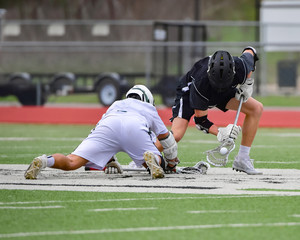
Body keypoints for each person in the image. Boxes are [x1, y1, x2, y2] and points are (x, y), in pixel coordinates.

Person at [24, 85, 179, 180]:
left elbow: (102, 132)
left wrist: (109, 160)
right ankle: (153, 160)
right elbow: (166, 139)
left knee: (72, 161)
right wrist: (171, 162)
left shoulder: (115, 104)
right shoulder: (148, 108)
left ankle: (44, 160)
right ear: (147, 99)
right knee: (155, 160)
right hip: (134, 127)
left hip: (108, 126)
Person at [163, 46, 263, 175]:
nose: (219, 87)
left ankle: (243, 158)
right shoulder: (200, 83)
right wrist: (221, 133)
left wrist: (247, 82)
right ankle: (142, 157)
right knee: (176, 134)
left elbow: (250, 50)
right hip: (191, 93)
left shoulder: (241, 67)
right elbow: (201, 121)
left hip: (226, 91)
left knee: (256, 108)